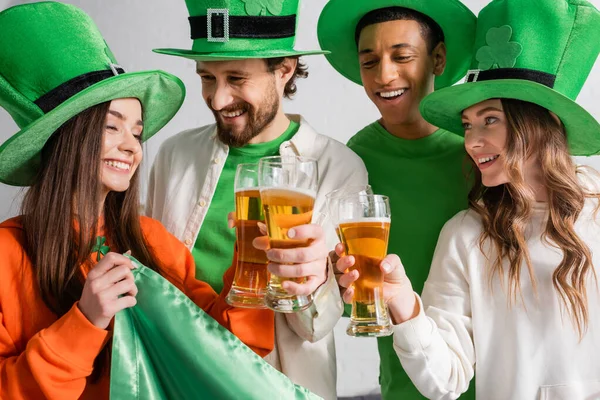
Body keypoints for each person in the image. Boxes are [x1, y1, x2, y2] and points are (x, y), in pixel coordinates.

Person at [0, 2, 308, 398]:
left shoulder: (151, 240)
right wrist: (85, 321)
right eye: (112, 127)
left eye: (137, 132)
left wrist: (252, 264)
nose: (130, 146)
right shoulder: (8, 251)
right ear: (66, 138)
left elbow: (220, 351)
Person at [336, 0, 600, 398]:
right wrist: (403, 300)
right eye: (467, 125)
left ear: (539, 121)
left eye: (490, 119)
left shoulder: (594, 205)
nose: (472, 142)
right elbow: (444, 378)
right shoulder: (466, 234)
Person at [148, 1, 368, 398]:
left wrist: (310, 275)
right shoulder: (174, 156)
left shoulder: (338, 167)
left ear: (284, 70)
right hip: (177, 379)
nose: (217, 99)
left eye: (236, 77)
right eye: (207, 78)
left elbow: (315, 328)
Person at [317, 1, 476, 398]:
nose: (384, 76)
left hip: (499, 379)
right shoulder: (354, 159)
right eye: (369, 62)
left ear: (438, 59)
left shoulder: (479, 149)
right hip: (404, 381)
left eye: (402, 57)